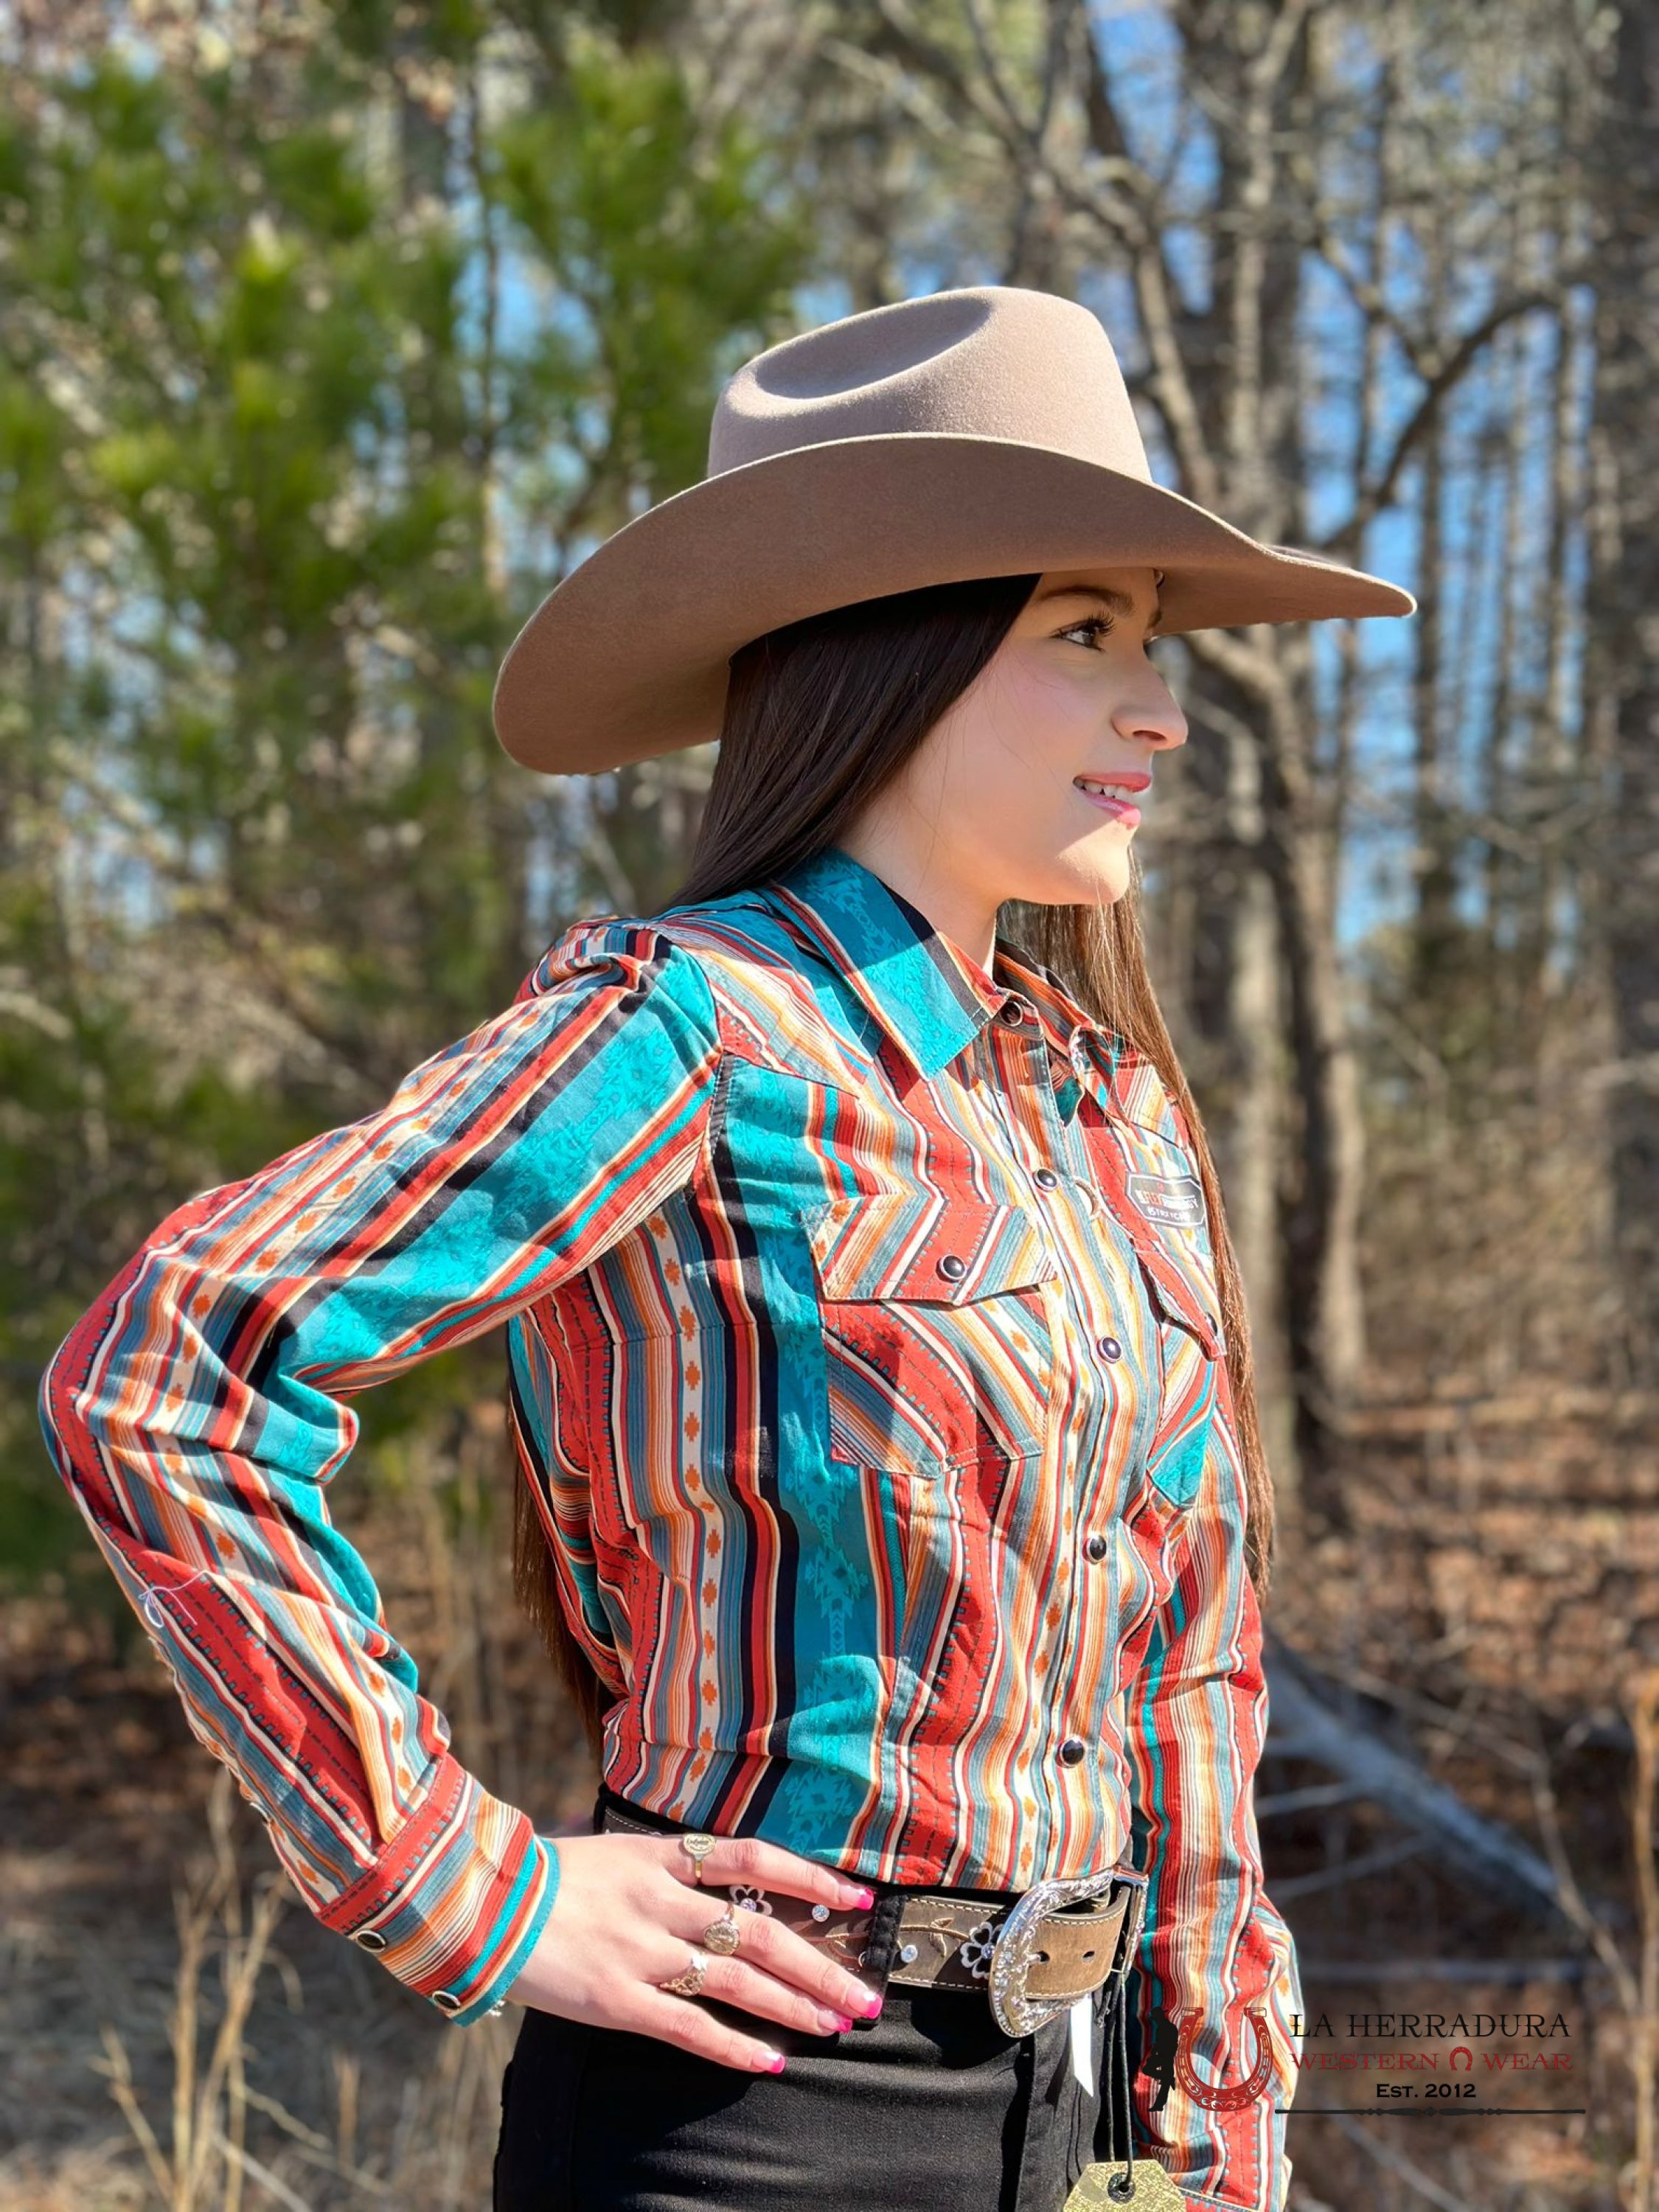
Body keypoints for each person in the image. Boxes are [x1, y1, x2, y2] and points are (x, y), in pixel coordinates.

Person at [38, 285, 1413, 2212]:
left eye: (1154, 642)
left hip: (1089, 2113)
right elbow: (167, 1376)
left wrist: (1208, 2139)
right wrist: (467, 1885)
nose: (1158, 710)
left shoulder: (1109, 1115)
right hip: (759, 2114)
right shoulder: (685, 1031)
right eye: (1085, 632)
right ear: (886, 650)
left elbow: (1189, 1667)